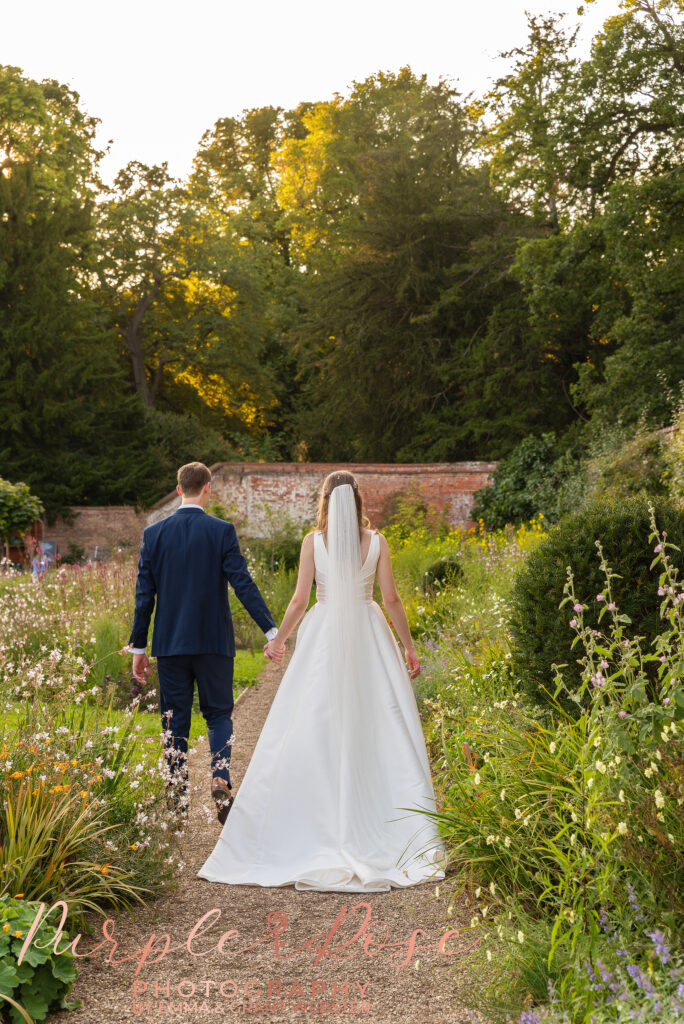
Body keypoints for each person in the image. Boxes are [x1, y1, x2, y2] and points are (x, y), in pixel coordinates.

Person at [197, 470, 448, 891]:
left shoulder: (313, 542)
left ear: (327, 501)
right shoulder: (378, 542)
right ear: (359, 500)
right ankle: (389, 826)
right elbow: (390, 599)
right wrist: (409, 646)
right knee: (379, 724)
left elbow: (299, 599)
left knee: (314, 721)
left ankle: (315, 821)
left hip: (324, 634)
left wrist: (279, 639)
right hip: (370, 635)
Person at [128, 461, 278, 824]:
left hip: (171, 645)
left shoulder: (155, 534)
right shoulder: (222, 531)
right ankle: (220, 777)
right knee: (218, 715)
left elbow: (144, 595)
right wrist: (271, 631)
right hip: (213, 643)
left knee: (173, 719)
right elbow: (242, 583)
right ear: (207, 488)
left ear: (179, 489)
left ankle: (177, 795)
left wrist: (139, 647)